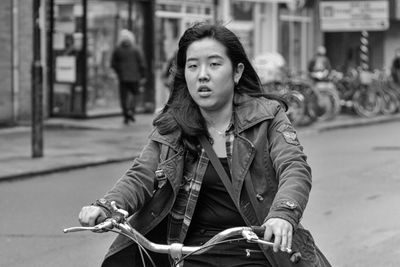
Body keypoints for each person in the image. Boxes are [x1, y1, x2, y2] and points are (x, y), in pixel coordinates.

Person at [79, 22, 331, 267]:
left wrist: (282, 215)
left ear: (237, 72)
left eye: (214, 64)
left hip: (258, 250)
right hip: (192, 252)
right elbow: (140, 175)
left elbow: (294, 167)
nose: (202, 75)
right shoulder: (173, 126)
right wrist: (108, 206)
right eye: (192, 66)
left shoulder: (267, 117)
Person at [111, 29, 147, 124]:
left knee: (123, 97)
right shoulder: (136, 49)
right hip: (135, 77)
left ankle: (126, 114)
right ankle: (131, 110)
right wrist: (143, 75)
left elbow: (113, 63)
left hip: (122, 77)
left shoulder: (117, 49)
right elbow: (142, 63)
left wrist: (119, 72)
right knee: (135, 94)